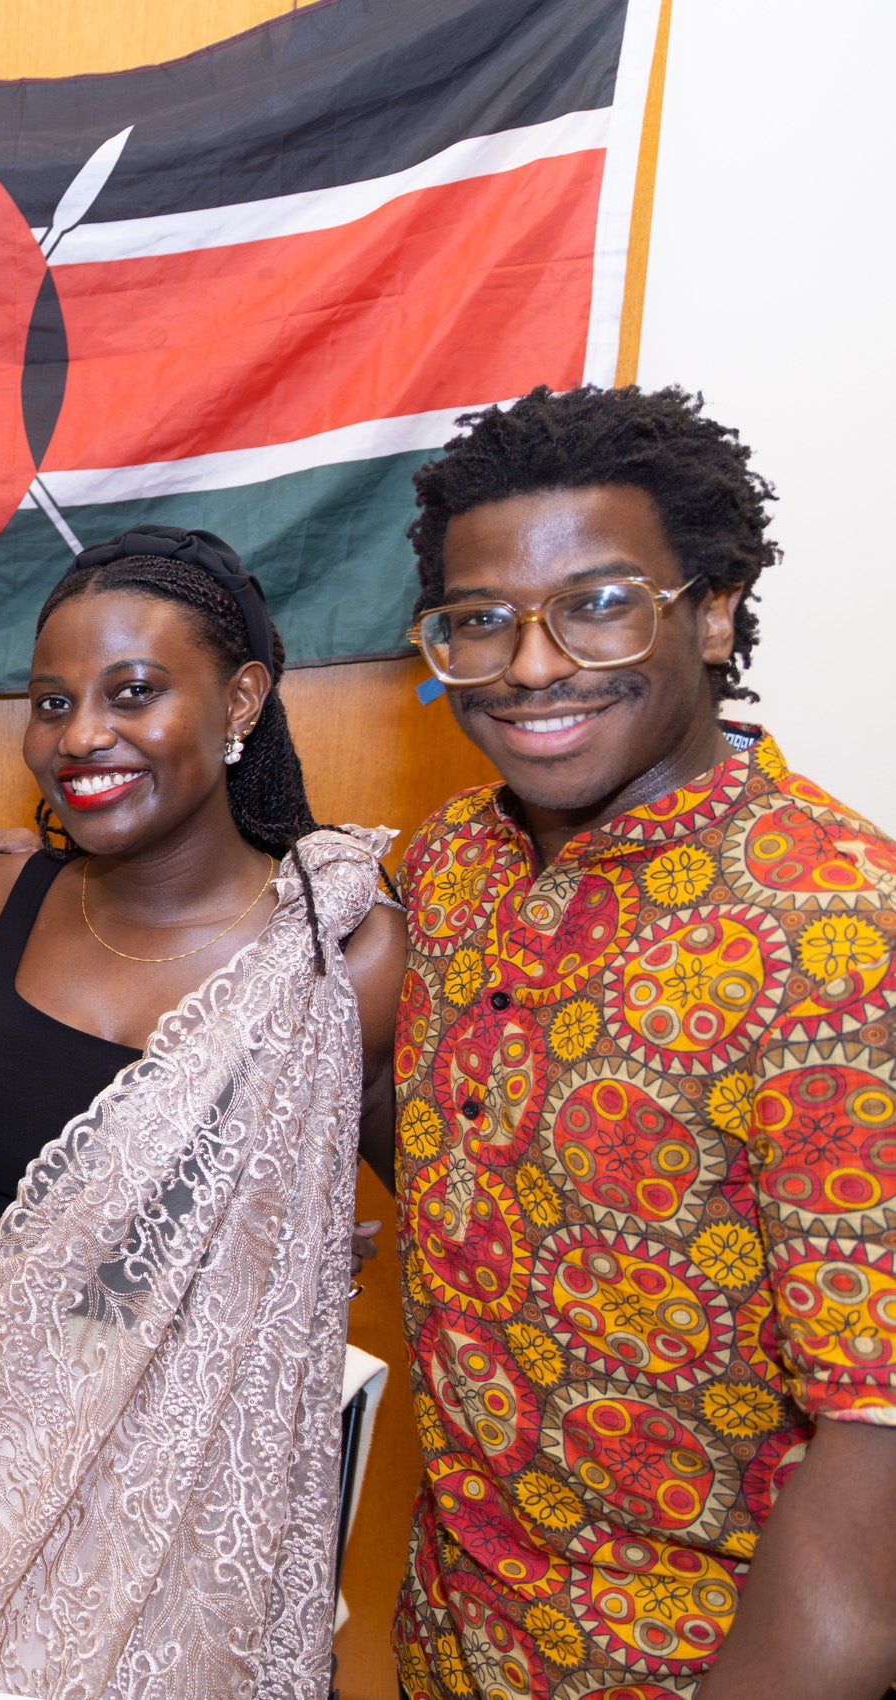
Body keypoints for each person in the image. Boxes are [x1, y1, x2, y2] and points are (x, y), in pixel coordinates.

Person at [0, 526, 406, 1698]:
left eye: (133, 692)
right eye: (50, 700)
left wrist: (259, 1243)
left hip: (171, 1484)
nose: (79, 736)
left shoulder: (336, 955)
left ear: (241, 697)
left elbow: (426, 1191)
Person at [379, 386, 896, 1699]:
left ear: (710, 609)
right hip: (446, 1641)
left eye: (598, 603)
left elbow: (876, 1439)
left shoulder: (830, 929)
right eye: (479, 621)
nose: (533, 664)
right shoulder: (452, 865)